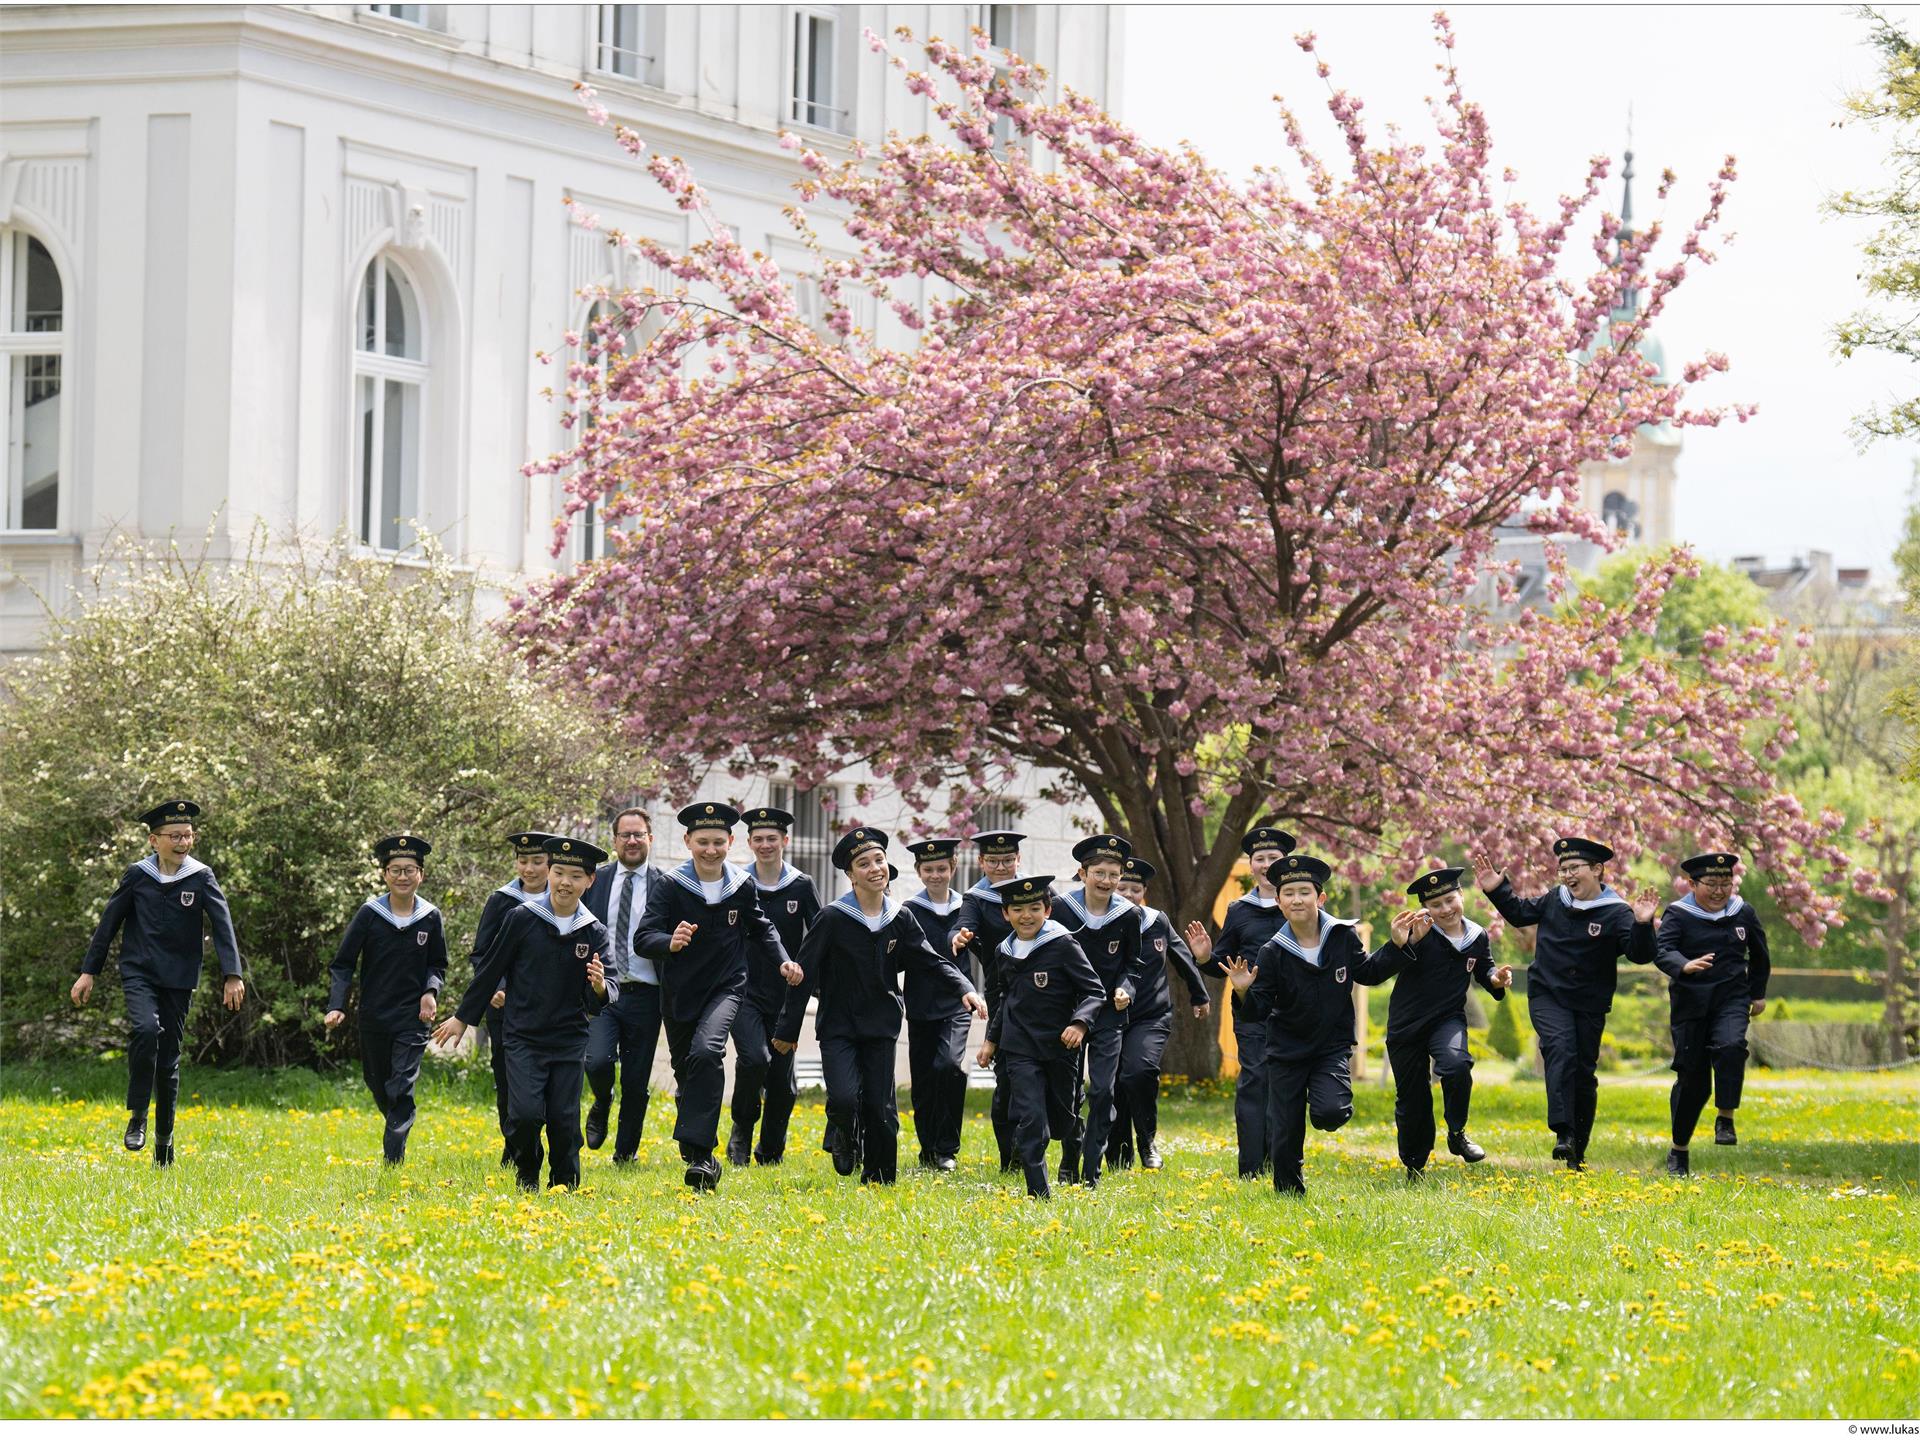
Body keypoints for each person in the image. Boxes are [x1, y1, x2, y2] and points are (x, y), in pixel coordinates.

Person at [772, 827, 985, 1184]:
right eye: (863, 863)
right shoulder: (833, 917)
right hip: (838, 1025)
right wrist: (787, 1030)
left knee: (881, 1106)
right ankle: (843, 1133)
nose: (874, 868)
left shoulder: (900, 918)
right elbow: (804, 974)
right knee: (842, 1099)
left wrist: (965, 987)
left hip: (881, 1024)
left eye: (879, 860)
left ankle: (880, 1178)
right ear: (851, 874)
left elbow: (930, 960)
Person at [633, 802, 798, 1192]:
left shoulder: (740, 885)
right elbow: (643, 938)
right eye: (702, 841)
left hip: (726, 988)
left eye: (718, 842)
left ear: (730, 842)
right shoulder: (671, 885)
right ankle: (700, 1152)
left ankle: (702, 1155)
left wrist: (784, 962)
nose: (711, 849)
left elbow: (762, 928)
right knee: (688, 1073)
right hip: (681, 994)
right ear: (688, 841)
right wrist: (669, 942)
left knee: (708, 1052)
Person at [1228, 853, 1414, 1196]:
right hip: (1286, 1050)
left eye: (1304, 892)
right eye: (1289, 893)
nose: (1297, 899)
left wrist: (1397, 946)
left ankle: (1325, 1102)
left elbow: (1369, 972)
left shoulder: (1342, 937)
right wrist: (1242, 991)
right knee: (1286, 1127)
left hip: (1330, 1046)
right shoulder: (1273, 952)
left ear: (1320, 898)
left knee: (1329, 1113)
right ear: (1279, 903)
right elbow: (1257, 1011)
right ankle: (1287, 1191)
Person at [74, 799, 245, 1167]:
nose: (182, 842)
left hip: (179, 978)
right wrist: (89, 971)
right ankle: (137, 1114)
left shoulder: (201, 876)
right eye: (174, 836)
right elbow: (108, 924)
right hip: (139, 972)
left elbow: (222, 925)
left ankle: (164, 1144)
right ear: (154, 840)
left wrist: (233, 974)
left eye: (188, 835)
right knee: (145, 1029)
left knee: (168, 1061)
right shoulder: (138, 875)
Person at [436, 836, 612, 1191]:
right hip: (523, 1036)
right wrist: (463, 1016)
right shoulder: (521, 918)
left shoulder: (594, 931)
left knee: (564, 1120)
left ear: (589, 881)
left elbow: (607, 988)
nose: (565, 882)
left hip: (568, 1039)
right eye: (559, 871)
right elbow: (490, 968)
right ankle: (527, 1172)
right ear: (549, 872)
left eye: (575, 876)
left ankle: (565, 1181)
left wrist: (599, 987)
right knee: (525, 1115)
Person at [1472, 838, 1660, 1171]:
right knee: (1560, 1048)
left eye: (1575, 868)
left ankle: (1577, 1151)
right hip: (1548, 994)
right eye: (1563, 870)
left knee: (1584, 1073)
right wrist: (1497, 888)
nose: (1568, 875)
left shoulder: (1616, 912)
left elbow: (1640, 954)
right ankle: (1562, 1131)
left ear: (1597, 870)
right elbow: (1518, 912)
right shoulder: (1553, 900)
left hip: (1589, 1002)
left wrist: (1643, 923)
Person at [975, 874, 1105, 1200]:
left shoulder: (1063, 944)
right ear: (1006, 914)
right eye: (1018, 909)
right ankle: (1038, 1191)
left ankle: (1072, 1146)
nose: (1026, 916)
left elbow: (1094, 991)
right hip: (1019, 1047)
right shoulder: (1004, 951)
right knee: (1031, 1118)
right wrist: (991, 1040)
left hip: (1061, 1046)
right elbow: (1005, 998)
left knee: (1062, 1122)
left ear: (1047, 910)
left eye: (1034, 907)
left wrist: (1079, 1024)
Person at [323, 834, 447, 1165]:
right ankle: (395, 1122)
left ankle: (393, 1160)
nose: (403, 877)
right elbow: (343, 963)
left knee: (401, 1087)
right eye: (396, 870)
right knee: (379, 1085)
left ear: (421, 874)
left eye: (410, 870)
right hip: (374, 1016)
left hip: (413, 1017)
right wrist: (336, 1005)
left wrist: (430, 992)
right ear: (385, 875)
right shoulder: (370, 914)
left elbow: (437, 964)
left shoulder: (431, 917)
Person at [1384, 867, 1513, 1180]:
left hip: (1447, 1020)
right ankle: (1415, 1163)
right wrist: (1402, 943)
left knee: (1456, 1066)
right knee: (1413, 1099)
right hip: (1407, 1024)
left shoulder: (1477, 936)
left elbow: (1484, 970)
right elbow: (1382, 967)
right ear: (1426, 908)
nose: (1445, 909)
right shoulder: (1419, 935)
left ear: (1462, 896)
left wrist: (1495, 980)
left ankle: (1457, 1132)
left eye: (1450, 900)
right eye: (1436, 905)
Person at [1185, 824, 1295, 1178]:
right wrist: (1204, 957)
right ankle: (1251, 1166)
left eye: (1273, 858)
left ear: (1285, 863)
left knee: (1286, 1084)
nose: (1266, 864)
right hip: (1251, 1009)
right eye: (1259, 859)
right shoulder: (1239, 909)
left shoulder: (1299, 901)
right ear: (1251, 867)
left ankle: (1282, 1159)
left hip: (1295, 1010)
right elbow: (1224, 964)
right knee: (1254, 1081)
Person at [1656, 851, 1771, 1176]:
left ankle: (1726, 1118)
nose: (1720, 891)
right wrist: (1684, 965)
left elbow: (1760, 955)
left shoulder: (1742, 912)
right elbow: (1663, 951)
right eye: (1712, 883)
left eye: (1726, 883)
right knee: (1692, 1083)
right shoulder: (1678, 914)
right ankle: (1679, 1149)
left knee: (1732, 1047)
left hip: (1731, 999)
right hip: (1691, 1006)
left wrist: (1758, 992)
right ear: (1692, 884)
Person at [726, 805, 821, 1167]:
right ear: (749, 843)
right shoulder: (736, 882)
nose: (766, 845)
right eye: (758, 839)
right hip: (744, 990)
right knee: (753, 1059)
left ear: (785, 840)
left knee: (782, 1081)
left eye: (772, 838)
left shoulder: (801, 884)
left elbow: (818, 937)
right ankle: (740, 1134)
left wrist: (810, 982)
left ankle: (770, 1151)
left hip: (786, 996)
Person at [1050, 834, 1146, 1189]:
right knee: (1068, 1091)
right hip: (1069, 1014)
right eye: (1099, 873)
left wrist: (1126, 988)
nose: (1106, 881)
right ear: (1082, 872)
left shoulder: (1129, 914)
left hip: (1108, 1014)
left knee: (1103, 1090)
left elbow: (1134, 965)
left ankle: (1091, 1168)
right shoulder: (1060, 909)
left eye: (1114, 874)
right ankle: (1069, 1157)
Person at [1110, 856, 1211, 1170]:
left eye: (1135, 888)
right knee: (1113, 1082)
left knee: (1138, 1072)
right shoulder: (1099, 920)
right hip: (1109, 1015)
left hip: (1151, 1015)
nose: (1128, 893)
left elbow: (1182, 958)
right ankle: (1118, 1152)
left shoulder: (1157, 921)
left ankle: (1147, 1141)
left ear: (1144, 892)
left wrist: (1199, 995)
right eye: (1121, 887)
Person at [468, 831, 555, 1166]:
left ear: (549, 864)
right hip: (505, 1007)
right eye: (523, 861)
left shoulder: (563, 898)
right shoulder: (500, 901)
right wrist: (496, 987)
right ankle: (515, 1143)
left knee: (548, 1081)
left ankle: (538, 1139)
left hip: (548, 1008)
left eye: (537, 862)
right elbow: (482, 954)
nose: (529, 869)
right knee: (507, 1079)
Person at [583, 808, 663, 1166]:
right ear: (614, 840)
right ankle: (601, 1100)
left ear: (650, 838)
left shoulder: (667, 885)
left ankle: (625, 1152)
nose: (632, 841)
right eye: (625, 835)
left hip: (647, 994)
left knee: (636, 1079)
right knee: (597, 1060)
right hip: (603, 992)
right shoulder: (594, 882)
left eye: (638, 834)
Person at [951, 829, 1027, 1172]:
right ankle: (1010, 1157)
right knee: (1008, 1074)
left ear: (1018, 860)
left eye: (1008, 860)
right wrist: (960, 936)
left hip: (1044, 994)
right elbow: (962, 926)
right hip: (1002, 995)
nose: (1001, 867)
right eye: (993, 861)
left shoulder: (1034, 891)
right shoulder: (976, 898)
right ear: (981, 862)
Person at [902, 837, 972, 1171]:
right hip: (920, 1004)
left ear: (953, 868)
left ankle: (947, 1147)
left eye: (941, 868)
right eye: (928, 869)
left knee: (950, 1066)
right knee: (925, 1078)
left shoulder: (967, 908)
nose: (935, 875)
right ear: (918, 871)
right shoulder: (909, 911)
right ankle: (928, 1147)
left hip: (958, 1003)